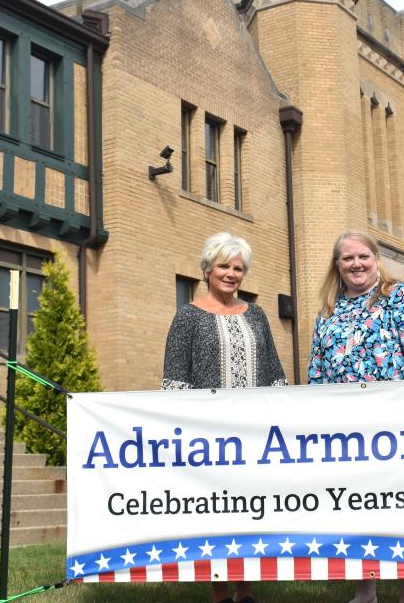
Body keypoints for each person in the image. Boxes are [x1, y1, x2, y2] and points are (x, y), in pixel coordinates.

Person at [307, 230, 404, 603]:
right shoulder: (328, 310)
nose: (356, 264)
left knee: (401, 505)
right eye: (348, 258)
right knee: (359, 506)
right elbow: (317, 370)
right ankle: (366, 589)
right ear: (337, 265)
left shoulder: (398, 297)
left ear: (376, 259)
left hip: (393, 424)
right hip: (345, 429)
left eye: (363, 256)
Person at [163, 231, 285, 603]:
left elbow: (274, 372)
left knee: (249, 509)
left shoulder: (258, 315)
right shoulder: (187, 316)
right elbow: (174, 379)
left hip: (253, 435)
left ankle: (245, 590)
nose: (231, 274)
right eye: (224, 266)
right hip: (208, 438)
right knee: (215, 512)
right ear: (207, 269)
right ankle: (219, 591)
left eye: (238, 268)